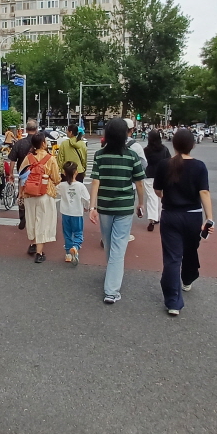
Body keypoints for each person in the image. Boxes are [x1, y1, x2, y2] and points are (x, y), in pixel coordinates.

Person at [154, 128, 215, 316]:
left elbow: (157, 190)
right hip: (193, 216)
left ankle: (173, 302)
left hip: (170, 215)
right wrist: (209, 218)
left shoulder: (164, 165)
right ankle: (188, 278)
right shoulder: (199, 166)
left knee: (172, 258)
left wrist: (167, 196)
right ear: (192, 145)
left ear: (173, 144)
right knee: (190, 250)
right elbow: (204, 192)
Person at [89, 118, 146, 304]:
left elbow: (95, 181)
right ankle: (112, 291)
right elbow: (139, 183)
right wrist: (141, 204)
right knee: (118, 246)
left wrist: (92, 207)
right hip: (124, 207)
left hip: (105, 206)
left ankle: (111, 278)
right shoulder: (131, 156)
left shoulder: (100, 155)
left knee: (108, 243)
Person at [20, 132, 60, 263]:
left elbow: (22, 177)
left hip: (29, 194)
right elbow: (56, 178)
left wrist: (20, 194)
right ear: (43, 143)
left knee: (31, 220)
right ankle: (39, 253)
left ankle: (32, 244)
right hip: (45, 193)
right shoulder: (50, 158)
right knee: (43, 222)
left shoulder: (28, 158)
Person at [57, 160, 90, 265]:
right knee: (78, 232)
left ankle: (68, 254)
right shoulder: (80, 186)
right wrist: (86, 207)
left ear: (64, 173)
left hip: (65, 213)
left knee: (67, 233)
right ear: (76, 172)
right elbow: (87, 199)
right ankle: (75, 247)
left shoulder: (62, 185)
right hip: (77, 213)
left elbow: (54, 191)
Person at [8, 120, 39, 230]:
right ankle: (34, 218)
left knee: (21, 195)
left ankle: (22, 217)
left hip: (23, 174)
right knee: (36, 195)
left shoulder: (19, 143)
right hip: (37, 174)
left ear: (26, 129)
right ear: (36, 130)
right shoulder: (40, 142)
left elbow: (12, 159)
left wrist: (11, 173)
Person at [143, 130, 171, 232]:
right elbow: (169, 161)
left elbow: (143, 163)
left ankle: (152, 219)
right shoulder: (164, 149)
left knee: (151, 197)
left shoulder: (146, 150)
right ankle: (158, 216)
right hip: (162, 175)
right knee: (160, 196)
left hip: (149, 175)